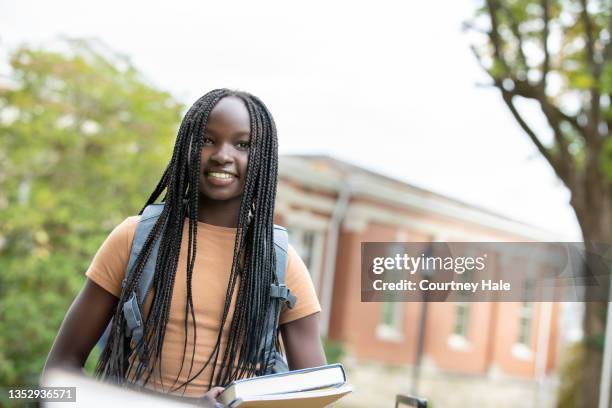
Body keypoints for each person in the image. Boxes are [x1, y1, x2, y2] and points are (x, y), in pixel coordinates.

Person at [43, 89, 327, 405]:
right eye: (207, 140)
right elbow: (58, 373)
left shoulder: (279, 262)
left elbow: (315, 396)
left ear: (264, 159)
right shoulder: (135, 238)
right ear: (186, 148)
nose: (222, 154)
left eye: (243, 145)